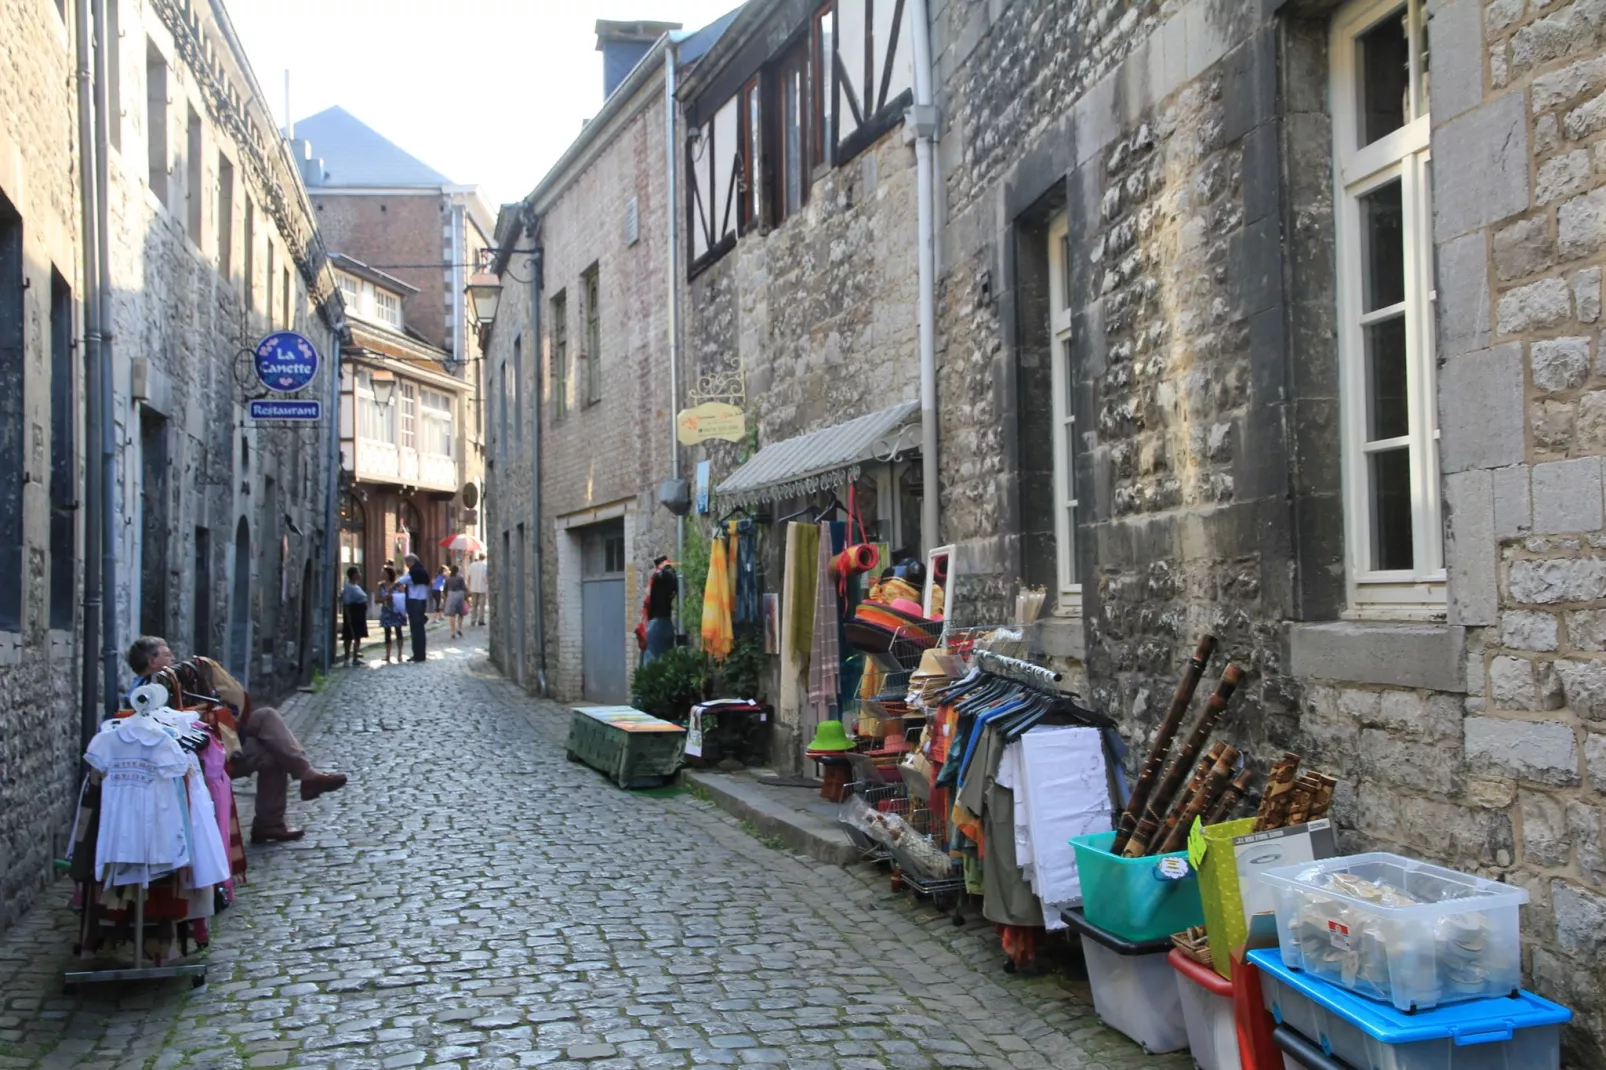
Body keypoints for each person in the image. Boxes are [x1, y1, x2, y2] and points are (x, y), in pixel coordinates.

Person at [125, 635, 347, 844]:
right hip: (202, 759)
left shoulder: (175, 680)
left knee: (267, 717)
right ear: (152, 660)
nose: (172, 657)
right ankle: (277, 814)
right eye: (166, 654)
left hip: (219, 742)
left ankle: (299, 787)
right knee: (270, 752)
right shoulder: (146, 695)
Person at [637, 555, 677, 665]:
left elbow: (665, 575)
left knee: (650, 661)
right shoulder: (668, 578)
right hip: (665, 623)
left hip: (656, 624)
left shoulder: (659, 577)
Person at [403, 553, 431, 662]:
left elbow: (401, 580)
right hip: (421, 602)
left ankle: (418, 655)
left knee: (416, 631)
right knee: (419, 630)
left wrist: (392, 587)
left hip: (414, 602)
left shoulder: (414, 572)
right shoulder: (422, 571)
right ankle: (420, 654)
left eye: (407, 563)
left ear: (411, 562)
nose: (406, 565)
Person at [376, 564, 407, 663]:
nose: (383, 575)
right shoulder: (380, 585)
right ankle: (388, 655)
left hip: (397, 611)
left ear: (390, 574)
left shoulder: (398, 585)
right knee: (387, 633)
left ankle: (400, 654)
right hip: (386, 611)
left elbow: (403, 597)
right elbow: (376, 600)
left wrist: (394, 597)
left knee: (399, 631)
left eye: (384, 573)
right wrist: (385, 598)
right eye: (382, 573)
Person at [339, 566, 369, 666]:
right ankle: (347, 658)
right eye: (358, 573)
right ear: (353, 575)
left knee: (358, 635)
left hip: (360, 613)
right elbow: (346, 603)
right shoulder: (348, 587)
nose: (360, 574)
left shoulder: (357, 586)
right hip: (353, 612)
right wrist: (348, 617)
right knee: (349, 636)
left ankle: (356, 657)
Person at [444, 565, 468, 639]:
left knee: (452, 615)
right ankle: (459, 628)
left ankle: (452, 632)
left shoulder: (448, 579)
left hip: (451, 595)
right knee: (461, 613)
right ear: (457, 571)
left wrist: (445, 597)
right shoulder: (460, 578)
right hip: (459, 595)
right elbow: (464, 588)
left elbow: (445, 589)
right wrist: (466, 598)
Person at [467, 552, 489, 626]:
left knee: (474, 605)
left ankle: (473, 620)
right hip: (482, 587)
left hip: (473, 587)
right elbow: (484, 578)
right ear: (484, 558)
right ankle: (481, 620)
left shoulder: (472, 565)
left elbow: (469, 577)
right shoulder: (485, 566)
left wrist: (468, 586)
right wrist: (488, 584)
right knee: (482, 605)